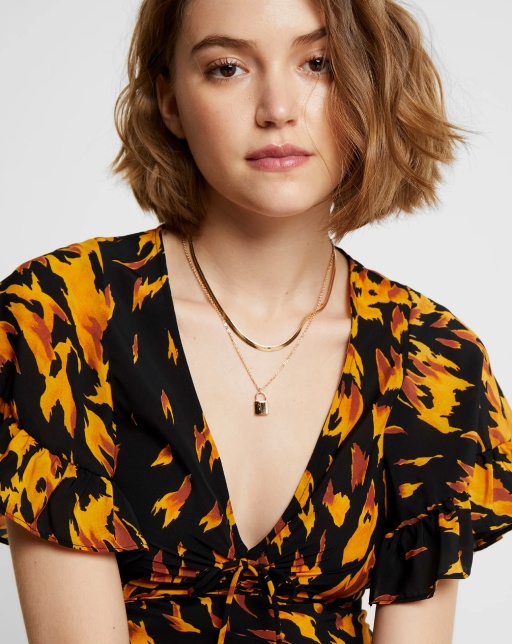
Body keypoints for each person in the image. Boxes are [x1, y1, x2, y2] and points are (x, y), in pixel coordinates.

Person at [1, 0, 511, 642]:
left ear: (370, 84)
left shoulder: (433, 359)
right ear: (169, 101)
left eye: (319, 63)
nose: (277, 109)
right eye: (227, 68)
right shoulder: (64, 315)